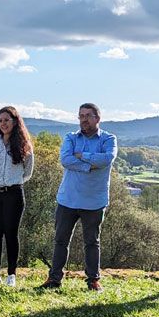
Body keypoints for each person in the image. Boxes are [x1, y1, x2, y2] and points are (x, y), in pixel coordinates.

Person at [39, 103, 117, 291]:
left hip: (94, 201)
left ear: (97, 118)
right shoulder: (71, 137)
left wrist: (82, 155)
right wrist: (90, 165)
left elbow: (107, 159)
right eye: (81, 115)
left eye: (88, 115)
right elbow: (66, 160)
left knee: (92, 242)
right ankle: (54, 279)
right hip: (68, 199)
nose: (83, 119)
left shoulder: (108, 139)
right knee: (60, 240)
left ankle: (93, 280)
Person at [0, 106, 35, 286]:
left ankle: (11, 275)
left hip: (13, 194)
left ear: (15, 121)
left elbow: (27, 172)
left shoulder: (24, 145)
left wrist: (12, 181)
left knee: (11, 234)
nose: (3, 123)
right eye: (0, 120)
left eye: (6, 120)